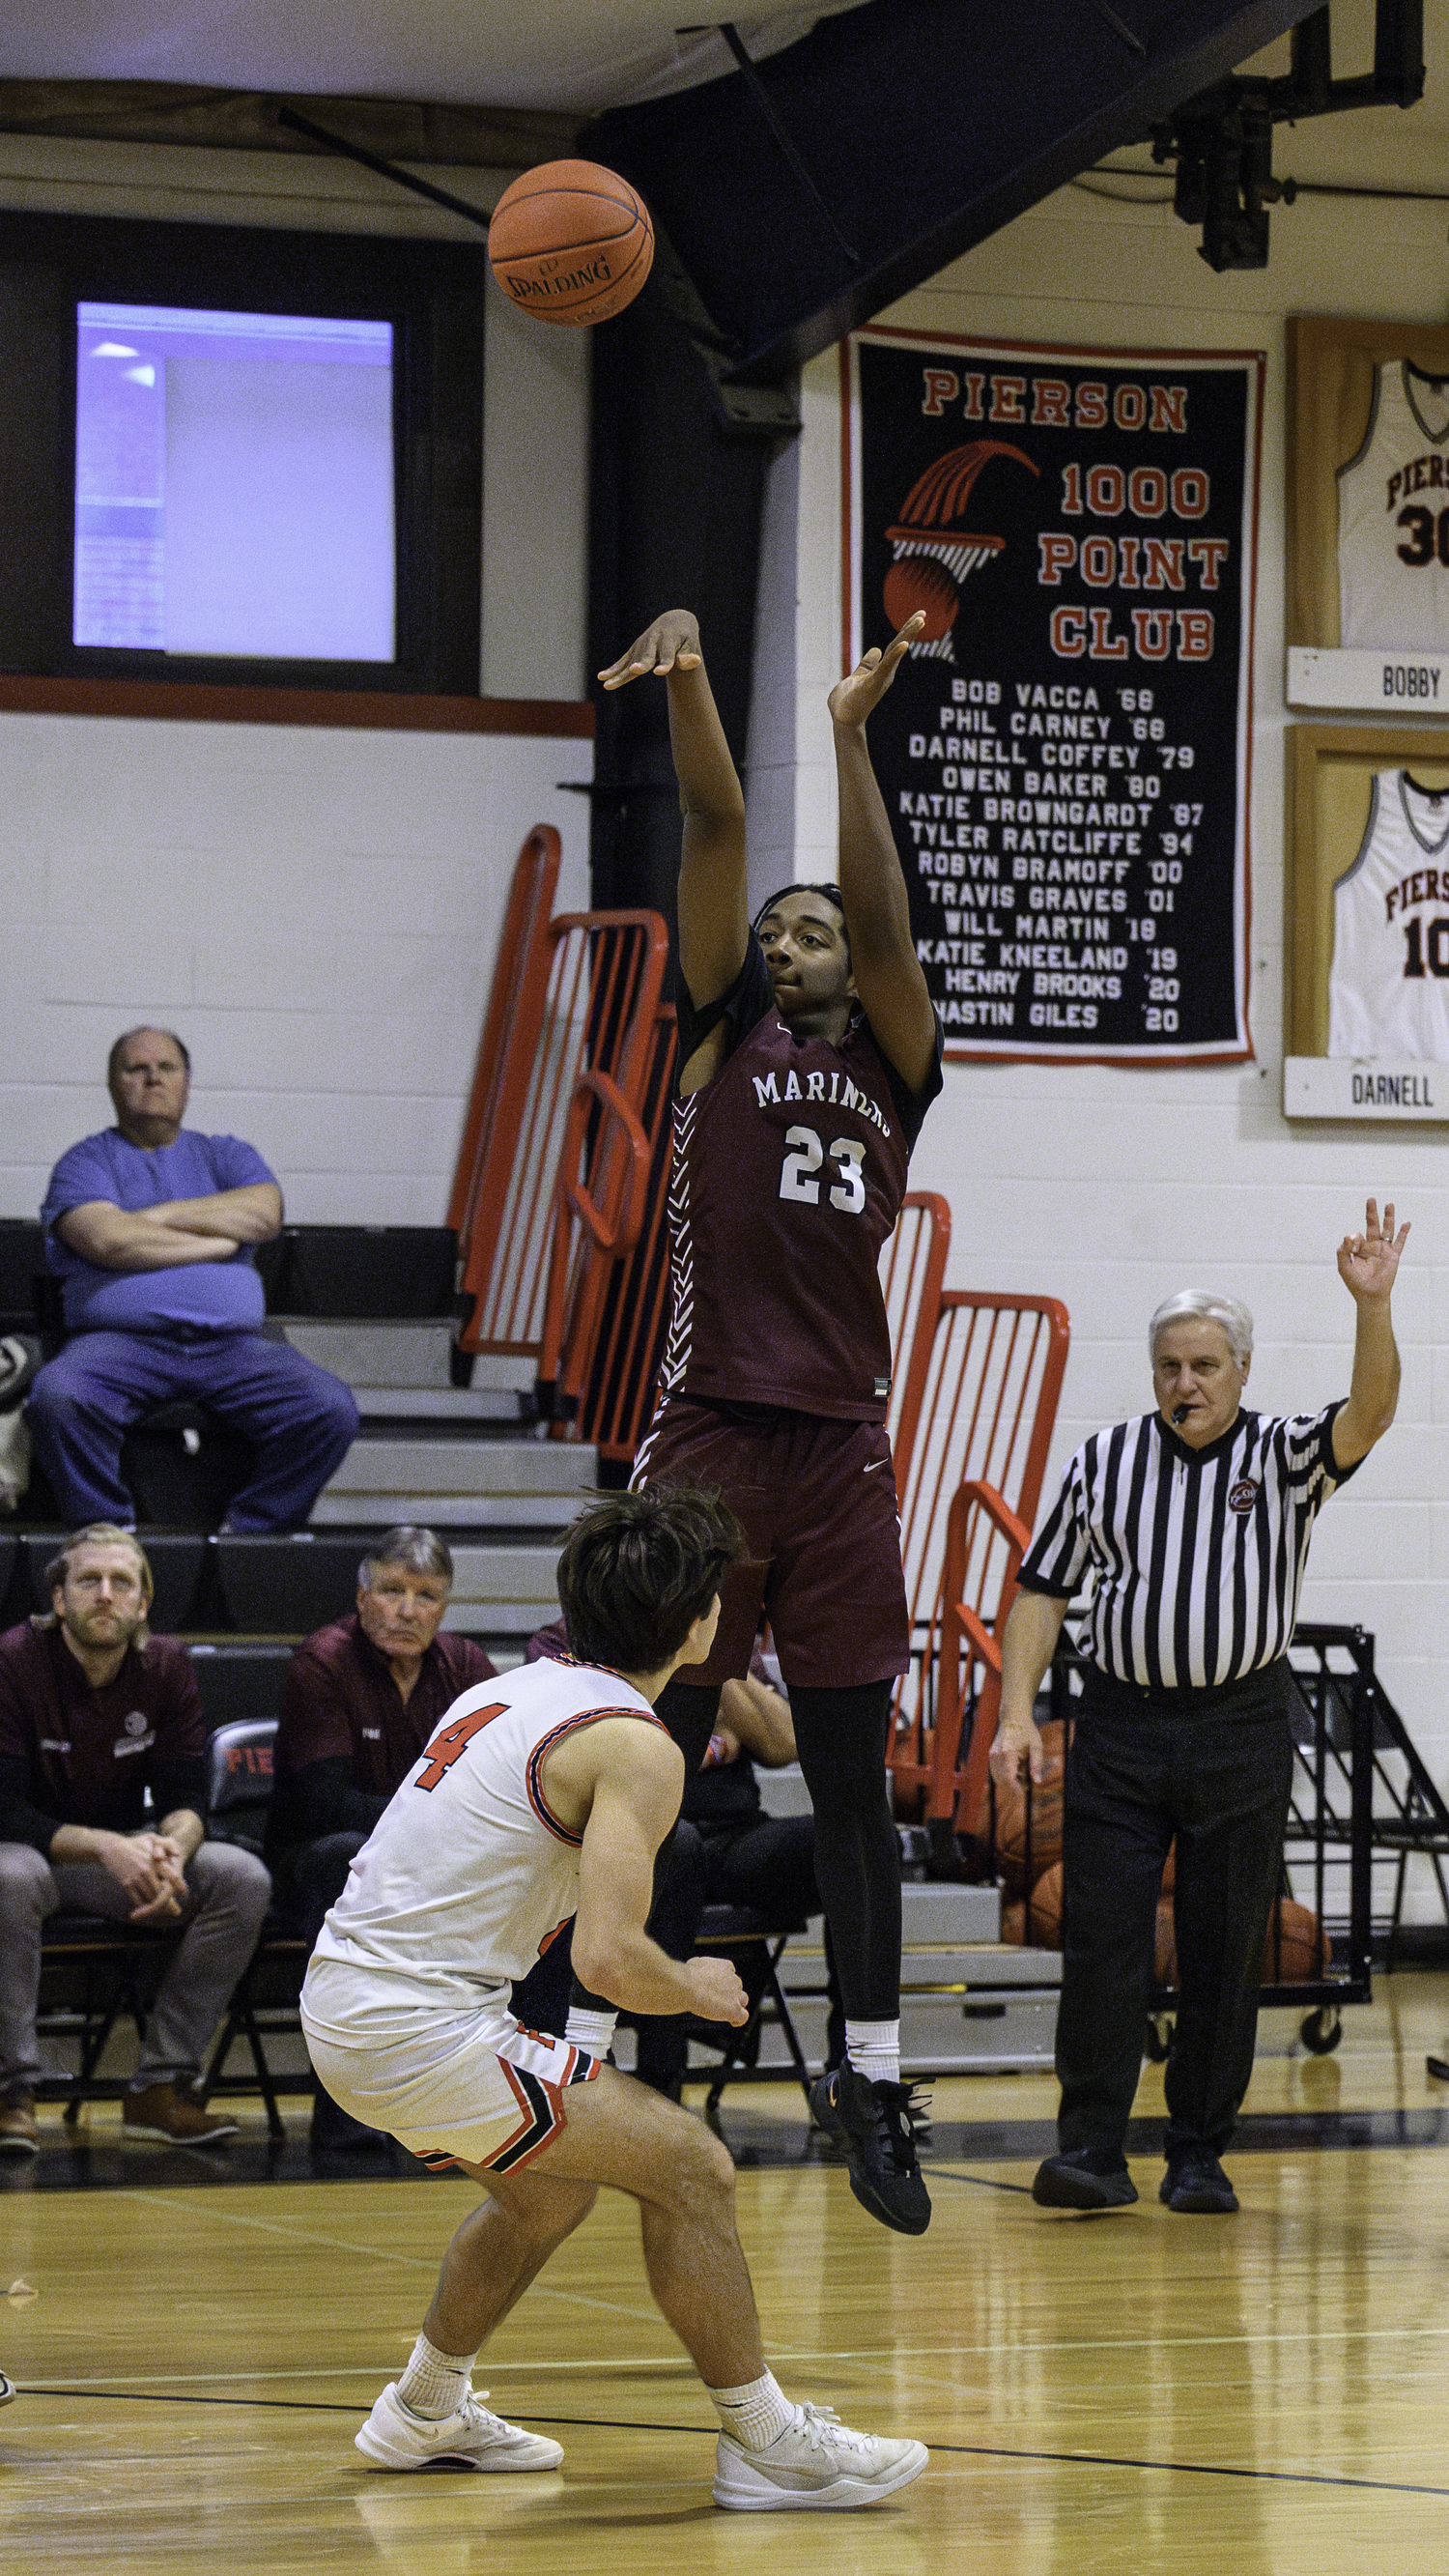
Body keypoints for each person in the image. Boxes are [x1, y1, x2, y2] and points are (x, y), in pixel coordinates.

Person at [299, 1488, 927, 2511]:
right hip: (412, 2021)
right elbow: (608, 1959)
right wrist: (693, 1982)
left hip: (350, 1997)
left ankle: (422, 2407)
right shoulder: (635, 1741)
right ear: (700, 1621)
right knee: (693, 2165)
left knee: (549, 2188)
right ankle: (766, 2442)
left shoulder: (510, 1687)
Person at [592, 605, 942, 2236]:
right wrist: (691, 686)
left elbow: (885, 925)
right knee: (644, 1761)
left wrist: (861, 737)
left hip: (845, 1451)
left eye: (818, 931)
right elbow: (722, 822)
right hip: (715, 1436)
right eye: (781, 932)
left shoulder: (899, 1066)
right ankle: (591, 2041)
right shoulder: (717, 1041)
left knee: (859, 1786)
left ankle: (870, 2071)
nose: (798, 940)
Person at [990, 1200, 1408, 2218]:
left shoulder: (1285, 1456)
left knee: (1228, 1943)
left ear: (1242, 1372)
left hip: (1241, 1725)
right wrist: (1012, 1715)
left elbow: (1372, 1413)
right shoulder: (1104, 1462)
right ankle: (1089, 2145)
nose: (1186, 1382)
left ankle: (1197, 2151)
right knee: (1103, 1938)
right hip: (1121, 1726)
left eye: (1205, 1365)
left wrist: (1374, 1306)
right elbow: (1041, 1588)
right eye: (1170, 1365)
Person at [0, 1524, 273, 2152]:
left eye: (122, 1582)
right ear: (60, 1599)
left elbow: (188, 1799)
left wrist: (173, 1847)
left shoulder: (167, 1664)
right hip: (32, 1853)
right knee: (7, 1877)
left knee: (240, 1876)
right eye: (88, 1581)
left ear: (143, 1601)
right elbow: (4, 1810)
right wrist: (107, 1846)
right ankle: (10, 2091)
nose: (105, 1594)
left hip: (119, 1856)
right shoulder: (14, 1660)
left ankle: (160, 2086)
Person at [28, 1026, 358, 1531]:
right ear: (114, 1085)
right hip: (120, 1345)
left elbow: (263, 1216)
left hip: (233, 1349)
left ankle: (253, 1532)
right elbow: (108, 1242)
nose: (152, 1078)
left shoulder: (227, 1156)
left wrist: (149, 1218)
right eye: (135, 1068)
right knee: (57, 1396)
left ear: (187, 1083)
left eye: (167, 1068)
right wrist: (214, 1241)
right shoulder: (86, 1161)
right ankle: (108, 1539)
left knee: (330, 1408)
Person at [518, 1622, 844, 2097]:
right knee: (677, 1843)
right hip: (630, 1839)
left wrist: (710, 1655)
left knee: (842, 1843)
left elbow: (782, 1741)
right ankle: (658, 2078)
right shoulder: (561, 1640)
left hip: (734, 1836)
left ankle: (850, 2078)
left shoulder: (717, 1642)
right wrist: (721, 1738)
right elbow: (634, 1743)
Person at [269, 1525, 497, 2152]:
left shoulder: (468, 1666)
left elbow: (494, 1786)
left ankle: (495, 2100)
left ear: (443, 1609)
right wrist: (439, 1828)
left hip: (433, 1867)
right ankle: (347, 2115)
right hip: (322, 1866)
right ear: (363, 1595)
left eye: (425, 1595)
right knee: (338, 1855)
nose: (406, 1608)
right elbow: (324, 1804)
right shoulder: (323, 1661)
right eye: (393, 1589)